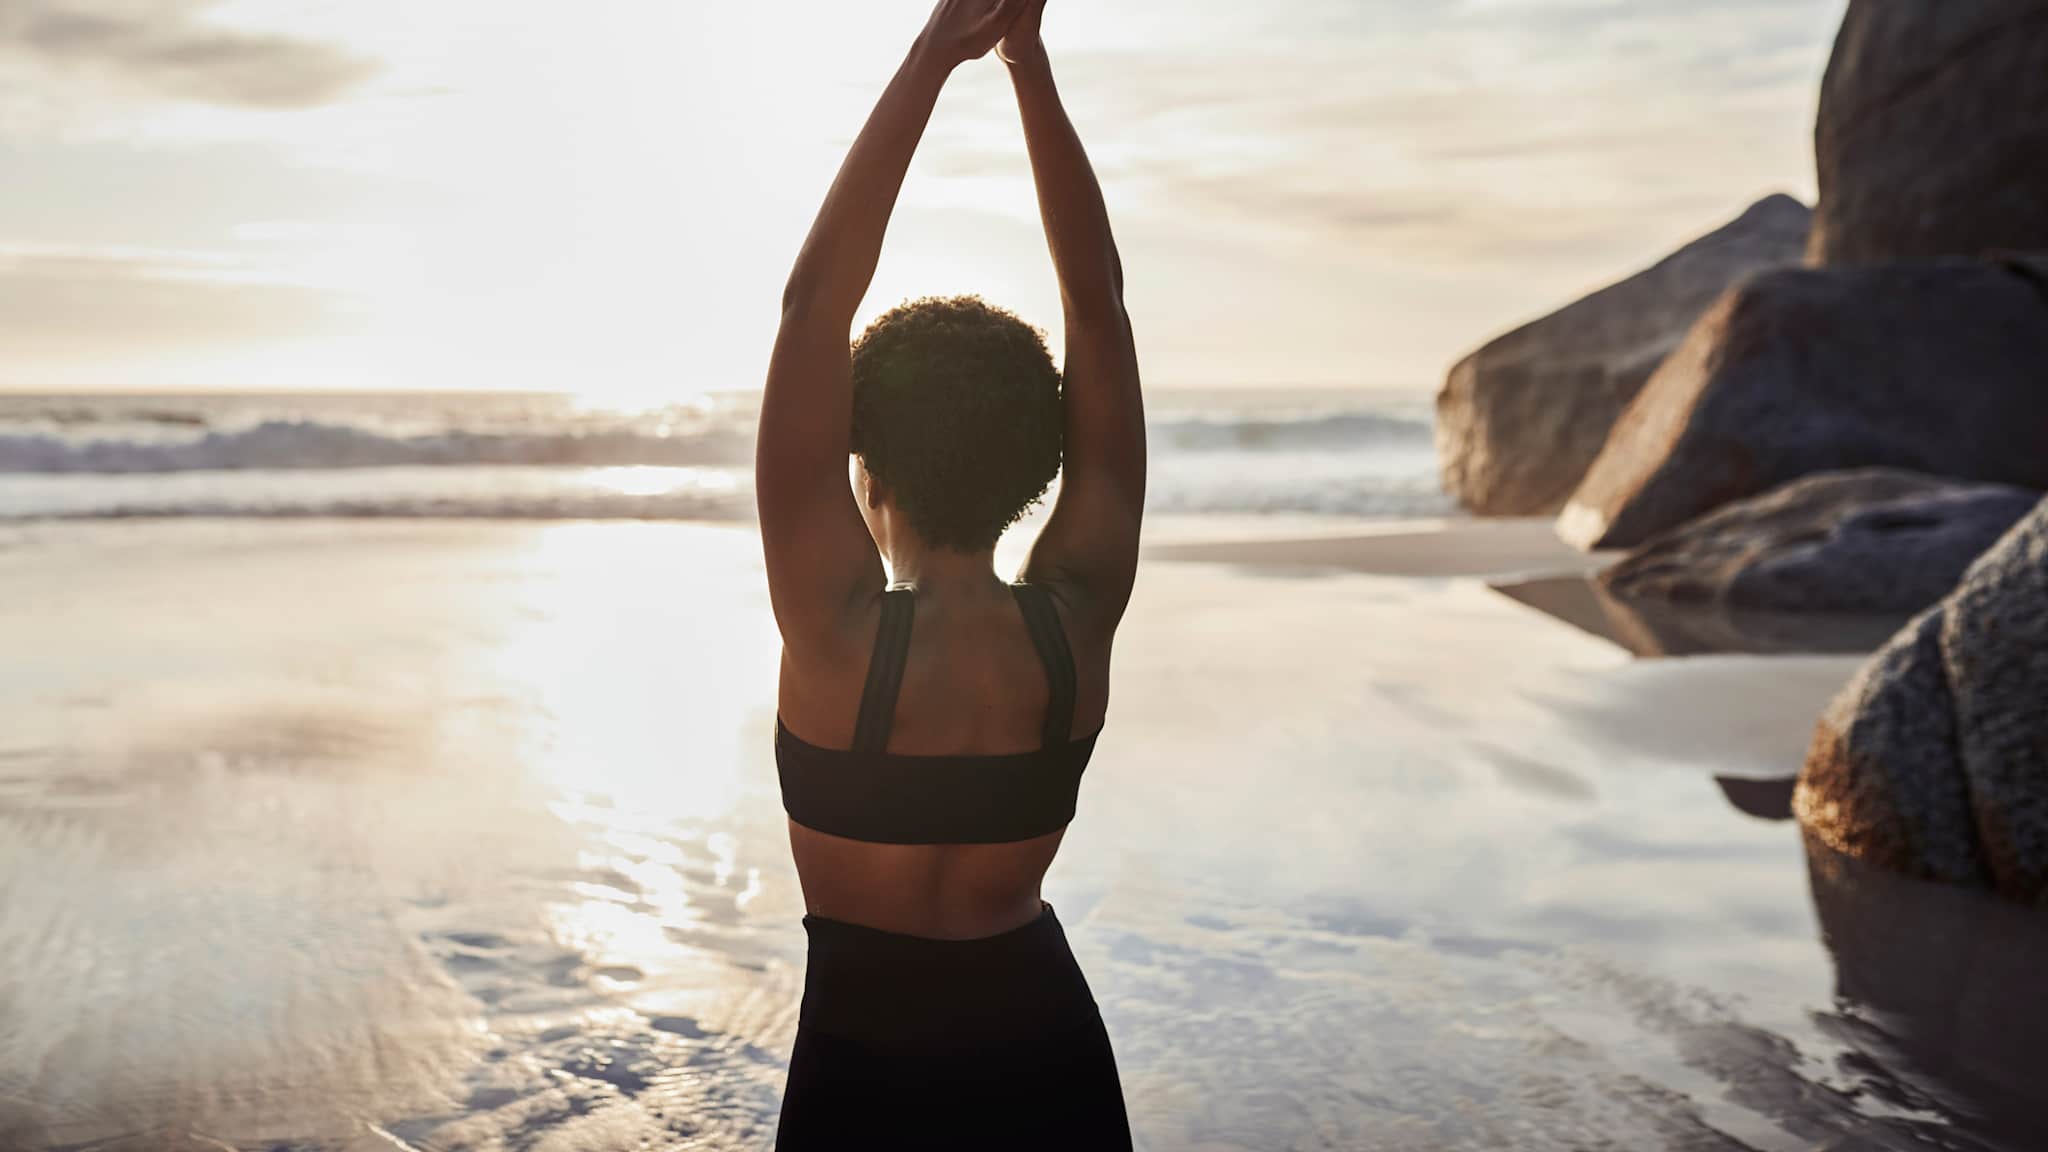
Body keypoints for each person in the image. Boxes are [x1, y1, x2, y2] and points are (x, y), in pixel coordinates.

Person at [754, 0, 1143, 1145]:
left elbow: (810, 306)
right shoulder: (1073, 627)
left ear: (863, 470)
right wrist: (1027, 63)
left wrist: (934, 54)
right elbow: (1099, 311)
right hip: (1048, 1061)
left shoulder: (835, 638)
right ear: (1043, 462)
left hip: (861, 1081)